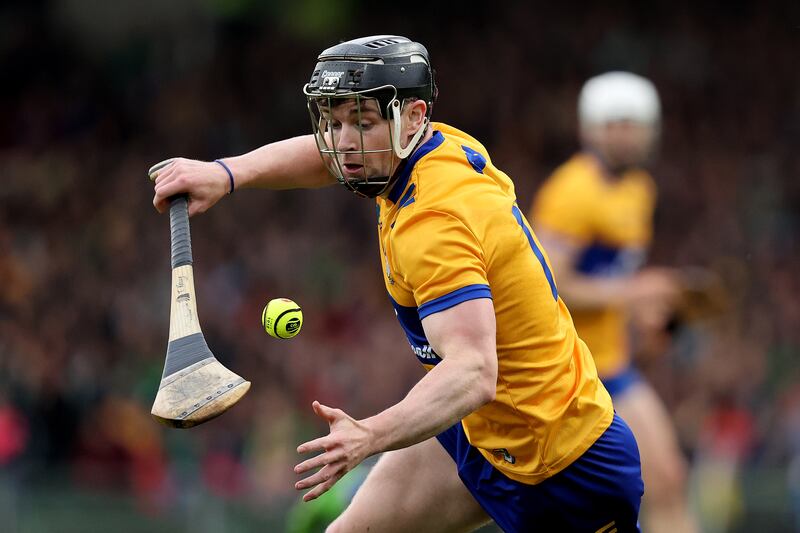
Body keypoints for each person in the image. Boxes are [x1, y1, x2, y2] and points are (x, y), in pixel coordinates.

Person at [151, 35, 643, 532]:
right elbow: (327, 158)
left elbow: (473, 371)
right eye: (335, 123)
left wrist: (369, 435)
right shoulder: (424, 149)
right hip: (479, 435)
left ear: (413, 116)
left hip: (565, 464)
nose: (345, 143)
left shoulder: (435, 220)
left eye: (362, 124)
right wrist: (225, 173)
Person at [528, 71, 699, 533]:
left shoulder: (639, 189)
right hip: (569, 371)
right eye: (614, 124)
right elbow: (549, 285)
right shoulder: (572, 191)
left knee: (668, 479)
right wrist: (634, 292)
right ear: (590, 129)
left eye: (634, 125)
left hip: (612, 362)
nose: (624, 136)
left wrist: (645, 313)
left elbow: (607, 279)